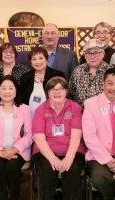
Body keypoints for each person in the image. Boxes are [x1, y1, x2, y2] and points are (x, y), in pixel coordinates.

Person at [32, 76, 86, 200]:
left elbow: (76, 136)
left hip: (73, 150)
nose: (57, 92)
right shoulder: (40, 109)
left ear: (66, 91)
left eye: (60, 89)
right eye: (53, 89)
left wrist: (69, 157)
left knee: (72, 172)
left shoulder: (75, 107)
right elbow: (39, 138)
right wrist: (52, 158)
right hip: (45, 152)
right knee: (47, 172)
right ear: (48, 93)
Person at [0, 75, 33, 200]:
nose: (7, 91)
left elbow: (29, 134)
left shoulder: (24, 109)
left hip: (17, 149)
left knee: (12, 166)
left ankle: (15, 196)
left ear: (16, 91)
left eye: (11, 88)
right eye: (3, 88)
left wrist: (14, 149)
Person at [82, 68, 115, 200]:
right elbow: (89, 137)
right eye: (110, 83)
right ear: (103, 84)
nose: (113, 88)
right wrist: (108, 160)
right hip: (98, 156)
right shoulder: (90, 104)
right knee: (100, 178)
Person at [20, 46, 64, 117]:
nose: (38, 62)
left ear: (46, 60)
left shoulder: (57, 75)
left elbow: (64, 96)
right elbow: (21, 100)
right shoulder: (25, 77)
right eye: (34, 59)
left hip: (53, 117)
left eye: (41, 58)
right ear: (31, 62)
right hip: (29, 118)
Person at [69, 38, 113, 107]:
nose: (92, 56)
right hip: (82, 115)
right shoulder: (77, 71)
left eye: (96, 52)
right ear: (85, 56)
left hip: (105, 115)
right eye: (89, 53)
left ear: (103, 54)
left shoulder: (110, 71)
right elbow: (71, 95)